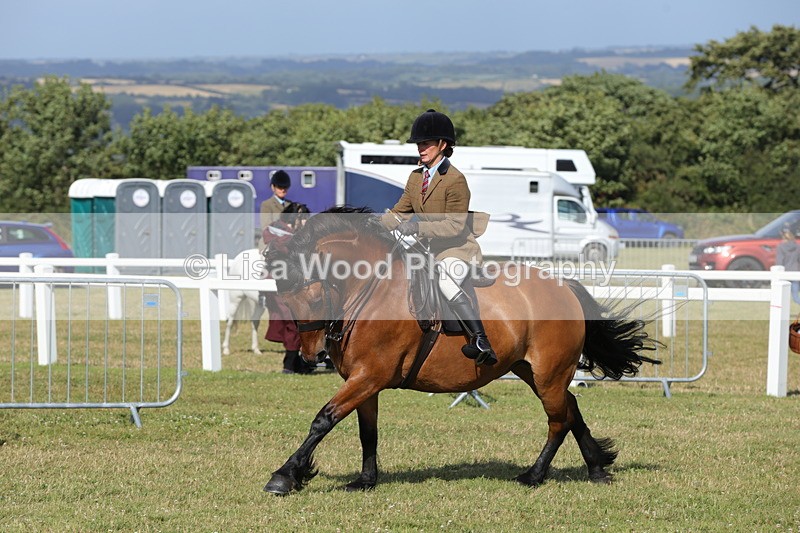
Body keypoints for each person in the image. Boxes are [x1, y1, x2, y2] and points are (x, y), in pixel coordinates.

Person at [382, 109, 497, 366]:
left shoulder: (455, 180)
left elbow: (455, 226)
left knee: (445, 280)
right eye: (419, 144)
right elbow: (399, 212)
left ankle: (480, 340)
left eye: (426, 144)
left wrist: (418, 229)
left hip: (457, 249)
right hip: (428, 249)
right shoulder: (415, 178)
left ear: (442, 145)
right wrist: (373, 225)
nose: (420, 149)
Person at [262, 203, 316, 374]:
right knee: (292, 323)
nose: (306, 222)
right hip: (281, 282)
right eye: (303, 218)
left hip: (289, 281)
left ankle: (297, 364)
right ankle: (290, 365)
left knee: (293, 323)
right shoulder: (281, 233)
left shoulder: (291, 233)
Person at [776, 226, 800, 305]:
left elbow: (779, 261)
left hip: (784, 273)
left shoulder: (780, 247)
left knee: (782, 296)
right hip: (795, 272)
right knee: (796, 297)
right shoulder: (798, 247)